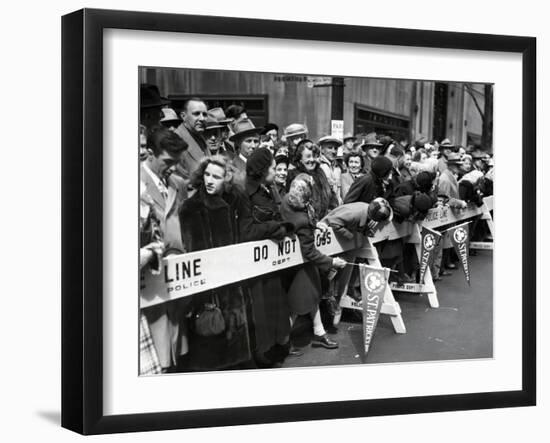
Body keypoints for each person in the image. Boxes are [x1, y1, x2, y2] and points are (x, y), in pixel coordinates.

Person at [177, 156, 257, 371]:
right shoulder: (191, 208)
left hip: (234, 284)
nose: (210, 180)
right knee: (211, 352)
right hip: (210, 290)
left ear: (227, 180)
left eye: (217, 177)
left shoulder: (234, 201)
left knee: (237, 350)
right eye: (207, 175)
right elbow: (192, 251)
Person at [140, 127, 190, 372]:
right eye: (168, 161)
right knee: (158, 337)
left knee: (175, 334)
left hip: (178, 270)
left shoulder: (177, 183)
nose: (173, 167)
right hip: (152, 272)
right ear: (150, 153)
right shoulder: (136, 183)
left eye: (178, 162)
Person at [280, 174, 347, 349]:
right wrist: (332, 262)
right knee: (300, 302)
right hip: (299, 264)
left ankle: (319, 332)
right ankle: (282, 342)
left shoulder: (287, 200)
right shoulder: (302, 221)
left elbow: (305, 215)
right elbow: (310, 251)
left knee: (311, 297)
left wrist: (316, 224)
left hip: (295, 262)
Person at [244, 148, 296, 366]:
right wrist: (276, 227)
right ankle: (262, 352)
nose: (276, 171)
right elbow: (246, 232)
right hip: (253, 265)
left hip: (269, 261)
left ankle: (276, 345)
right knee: (260, 310)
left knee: (275, 306)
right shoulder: (244, 193)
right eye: (274, 167)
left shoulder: (265, 190)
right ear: (263, 170)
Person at [286, 143, 338, 219]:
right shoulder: (293, 175)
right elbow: (294, 204)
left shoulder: (320, 172)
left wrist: (330, 214)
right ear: (300, 159)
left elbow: (331, 196)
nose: (312, 160)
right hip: (306, 223)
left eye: (314, 156)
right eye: (308, 156)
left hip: (326, 220)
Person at [174, 97, 209, 178]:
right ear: (183, 116)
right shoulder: (176, 141)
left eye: (205, 114)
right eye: (196, 114)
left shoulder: (200, 137)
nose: (202, 118)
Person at [229, 118, 263, 188]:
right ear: (238, 143)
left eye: (256, 141)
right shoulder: (233, 167)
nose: (253, 146)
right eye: (248, 141)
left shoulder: (262, 165)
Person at [318, 135, 344, 203]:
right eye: (330, 148)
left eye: (335, 148)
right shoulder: (317, 166)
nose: (333, 151)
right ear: (322, 150)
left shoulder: (338, 167)